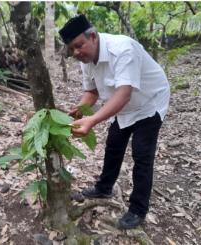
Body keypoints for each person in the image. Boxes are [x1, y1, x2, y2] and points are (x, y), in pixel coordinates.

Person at [59, 15, 170, 229]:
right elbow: (91, 92)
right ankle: (104, 187)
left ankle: (138, 209)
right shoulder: (86, 60)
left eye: (79, 46)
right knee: (114, 145)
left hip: (149, 102)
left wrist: (92, 120)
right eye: (71, 49)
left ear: (93, 36)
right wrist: (80, 111)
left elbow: (124, 93)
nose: (76, 53)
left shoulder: (122, 49)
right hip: (122, 107)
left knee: (142, 155)